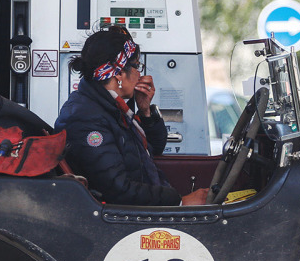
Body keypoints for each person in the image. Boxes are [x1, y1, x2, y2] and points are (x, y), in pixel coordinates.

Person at [55, 26, 209, 206]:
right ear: (119, 73)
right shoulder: (86, 119)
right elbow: (118, 190)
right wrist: (180, 202)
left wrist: (145, 111)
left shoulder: (110, 106)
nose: (140, 73)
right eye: (136, 66)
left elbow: (152, 150)